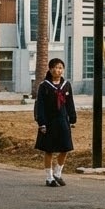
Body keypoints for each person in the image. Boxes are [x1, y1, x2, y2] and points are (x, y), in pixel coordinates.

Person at [34, 58, 76, 186]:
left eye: (60, 68)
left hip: (63, 120)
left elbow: (70, 103)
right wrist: (41, 123)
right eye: (55, 67)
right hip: (49, 121)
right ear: (50, 69)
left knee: (65, 148)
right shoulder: (44, 86)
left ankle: (58, 173)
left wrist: (72, 118)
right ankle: (49, 177)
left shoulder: (66, 85)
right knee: (49, 150)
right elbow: (39, 106)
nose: (58, 70)